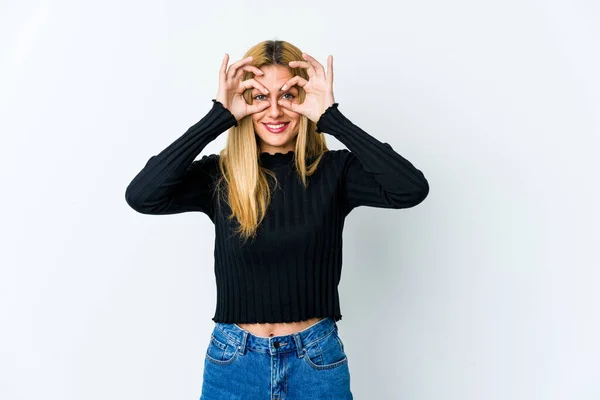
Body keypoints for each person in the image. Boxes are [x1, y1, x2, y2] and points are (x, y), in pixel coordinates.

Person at [125, 39, 429, 399]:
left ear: (305, 100)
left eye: (287, 96)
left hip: (315, 361)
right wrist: (216, 118)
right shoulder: (220, 175)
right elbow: (142, 195)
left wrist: (333, 118)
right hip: (233, 362)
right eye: (258, 98)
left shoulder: (336, 171)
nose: (274, 111)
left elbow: (410, 189)